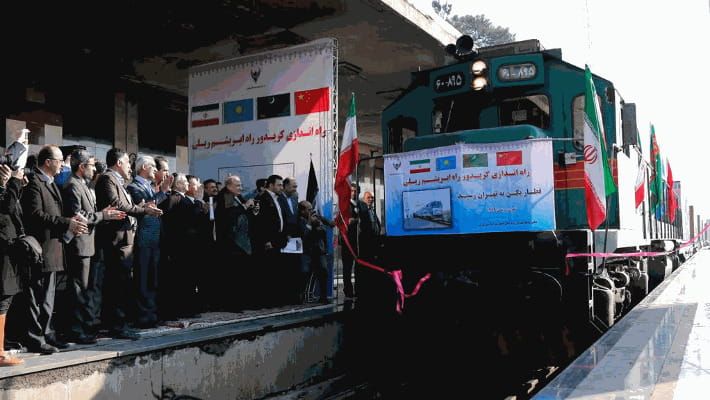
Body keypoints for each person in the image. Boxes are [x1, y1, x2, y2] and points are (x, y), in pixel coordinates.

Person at [21, 145, 88, 354]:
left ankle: (48, 334)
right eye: (59, 160)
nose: (62, 164)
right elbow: (36, 215)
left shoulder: (50, 182)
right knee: (37, 297)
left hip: (54, 249)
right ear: (48, 162)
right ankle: (36, 338)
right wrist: (67, 222)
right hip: (41, 248)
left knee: (48, 298)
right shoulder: (34, 182)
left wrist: (71, 221)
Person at [95, 148, 162, 339]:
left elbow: (128, 206)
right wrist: (143, 210)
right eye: (127, 163)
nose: (130, 168)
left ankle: (119, 323)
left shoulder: (118, 181)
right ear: (118, 163)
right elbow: (118, 205)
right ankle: (116, 326)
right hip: (115, 240)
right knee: (116, 284)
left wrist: (141, 207)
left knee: (121, 283)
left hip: (124, 240)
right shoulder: (107, 179)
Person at [62, 150, 125, 344]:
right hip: (79, 245)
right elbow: (79, 216)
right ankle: (75, 330)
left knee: (85, 288)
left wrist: (101, 214)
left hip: (89, 244)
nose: (94, 169)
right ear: (81, 167)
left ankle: (83, 327)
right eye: (91, 165)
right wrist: (103, 215)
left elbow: (89, 213)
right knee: (78, 289)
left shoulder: (83, 184)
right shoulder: (72, 185)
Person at [126, 155, 170, 328]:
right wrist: (163, 192)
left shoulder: (149, 187)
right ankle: (143, 316)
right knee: (143, 279)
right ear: (144, 167)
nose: (156, 170)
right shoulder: (133, 187)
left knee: (153, 279)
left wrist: (160, 192)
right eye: (153, 167)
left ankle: (152, 314)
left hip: (154, 240)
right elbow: (145, 207)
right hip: (142, 239)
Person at [215, 175, 259, 310]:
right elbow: (229, 216)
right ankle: (232, 304)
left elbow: (243, 214)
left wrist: (253, 210)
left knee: (241, 274)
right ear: (229, 186)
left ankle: (241, 302)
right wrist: (245, 206)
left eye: (240, 185)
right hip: (231, 243)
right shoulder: (226, 196)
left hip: (242, 241)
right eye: (238, 185)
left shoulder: (238, 197)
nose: (241, 187)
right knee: (232, 275)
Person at [0, 165, 25, 365]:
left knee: (6, 299)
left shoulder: (6, 190)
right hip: (2, 252)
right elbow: (6, 209)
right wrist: (14, 182)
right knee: (2, 299)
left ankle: (2, 347)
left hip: (9, 251)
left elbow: (14, 211)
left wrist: (12, 185)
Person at [298, 201, 329, 304]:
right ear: (302, 211)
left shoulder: (316, 219)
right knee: (305, 273)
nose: (312, 211)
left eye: (312, 209)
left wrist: (317, 224)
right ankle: (302, 296)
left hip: (319, 251)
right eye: (309, 209)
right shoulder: (300, 221)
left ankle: (323, 297)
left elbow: (323, 231)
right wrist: (310, 223)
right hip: (307, 251)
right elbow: (304, 235)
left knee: (323, 272)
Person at [339, 183, 360, 299]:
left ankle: (358, 289)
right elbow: (346, 220)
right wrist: (357, 220)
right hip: (347, 241)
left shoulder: (360, 204)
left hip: (358, 241)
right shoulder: (345, 204)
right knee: (347, 267)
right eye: (352, 191)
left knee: (358, 267)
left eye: (356, 191)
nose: (353, 193)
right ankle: (348, 291)